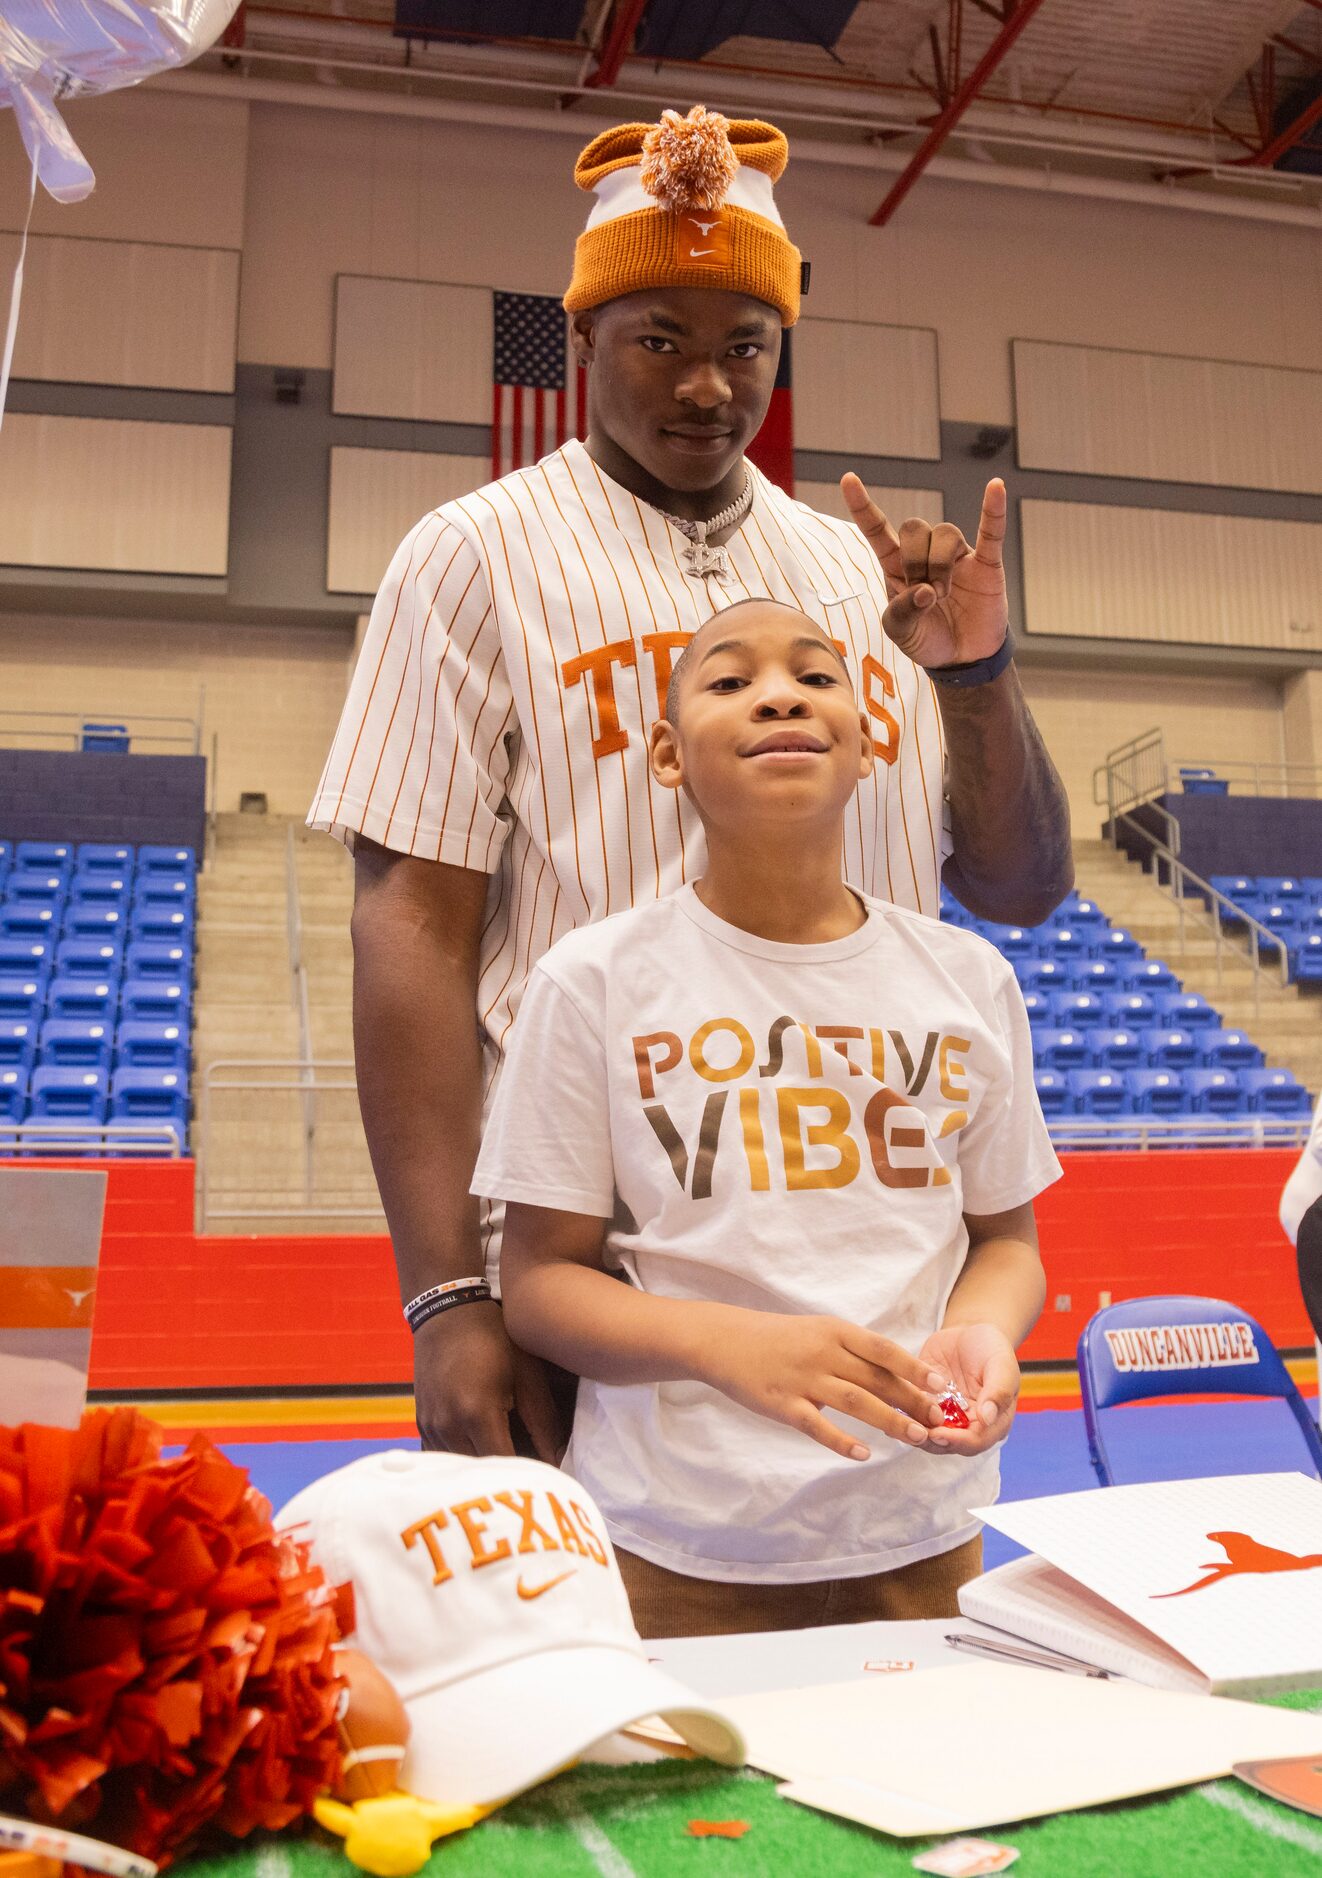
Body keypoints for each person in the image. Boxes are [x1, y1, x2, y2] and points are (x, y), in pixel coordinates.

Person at [309, 104, 1072, 1460]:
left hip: (878, 1277)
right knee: (615, 1663)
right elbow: (410, 922)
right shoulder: (471, 555)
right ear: (583, 339)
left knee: (898, 1656)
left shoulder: (868, 571)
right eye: (656, 338)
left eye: (743, 345)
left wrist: (973, 674)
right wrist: (446, 1297)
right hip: (595, 1288)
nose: (706, 386)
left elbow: (1018, 889)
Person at [475, 598, 1060, 1635]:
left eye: (814, 675)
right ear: (664, 753)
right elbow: (537, 1285)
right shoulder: (591, 983)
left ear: (869, 736)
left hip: (921, 1529)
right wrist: (719, 1344)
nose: (779, 693)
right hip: (676, 1541)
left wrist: (979, 1326)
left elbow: (1004, 1242)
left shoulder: (967, 978)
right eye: (729, 681)